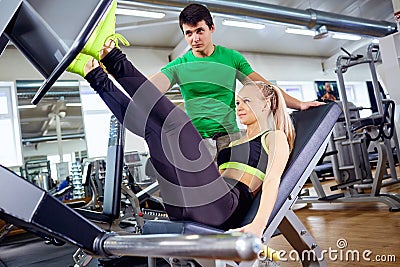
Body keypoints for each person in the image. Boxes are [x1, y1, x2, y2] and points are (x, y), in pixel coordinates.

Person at [65, 0, 294, 238]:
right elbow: (148, 96)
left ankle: (110, 53)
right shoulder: (237, 142)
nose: (239, 106)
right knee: (150, 130)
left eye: (247, 101)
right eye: (237, 101)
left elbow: (272, 183)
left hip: (221, 208)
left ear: (266, 105)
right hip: (189, 205)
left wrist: (258, 225)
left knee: (177, 123)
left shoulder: (275, 136)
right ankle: (92, 72)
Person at [148, 3, 321, 157]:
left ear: (211, 28)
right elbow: (148, 87)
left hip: (229, 138)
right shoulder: (179, 65)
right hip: (197, 141)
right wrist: (121, 66)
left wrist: (299, 104)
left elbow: (263, 87)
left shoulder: (231, 58)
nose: (195, 39)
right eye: (189, 33)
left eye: (200, 30)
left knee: (233, 190)